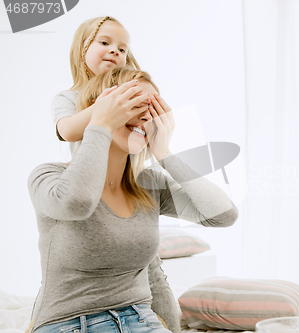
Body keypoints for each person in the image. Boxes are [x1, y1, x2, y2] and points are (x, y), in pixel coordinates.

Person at [27, 66, 238, 333]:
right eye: (134, 103)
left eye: (153, 109)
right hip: (70, 324)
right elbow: (77, 202)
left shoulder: (149, 184)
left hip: (141, 320)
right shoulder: (49, 177)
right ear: (100, 107)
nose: (145, 116)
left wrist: (165, 153)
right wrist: (100, 123)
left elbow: (223, 215)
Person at [50, 16, 181, 333]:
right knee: (67, 266)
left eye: (122, 49)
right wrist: (106, 106)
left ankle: (174, 326)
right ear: (82, 49)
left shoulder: (133, 95)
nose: (114, 52)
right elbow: (66, 130)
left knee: (150, 267)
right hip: (91, 196)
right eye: (104, 42)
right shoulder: (71, 98)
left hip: (129, 193)